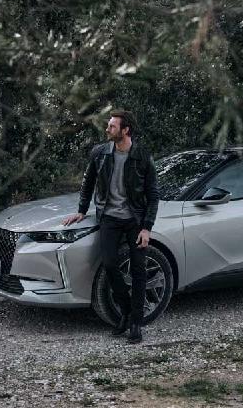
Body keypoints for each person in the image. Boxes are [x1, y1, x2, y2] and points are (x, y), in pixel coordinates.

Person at [62, 109, 159, 343]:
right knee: (109, 264)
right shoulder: (100, 153)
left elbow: (153, 195)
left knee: (138, 270)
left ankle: (136, 323)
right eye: (109, 125)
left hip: (135, 220)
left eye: (112, 126)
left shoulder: (142, 155)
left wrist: (146, 227)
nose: (107, 129)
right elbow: (88, 183)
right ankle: (125, 312)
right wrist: (81, 210)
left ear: (125, 130)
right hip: (109, 218)